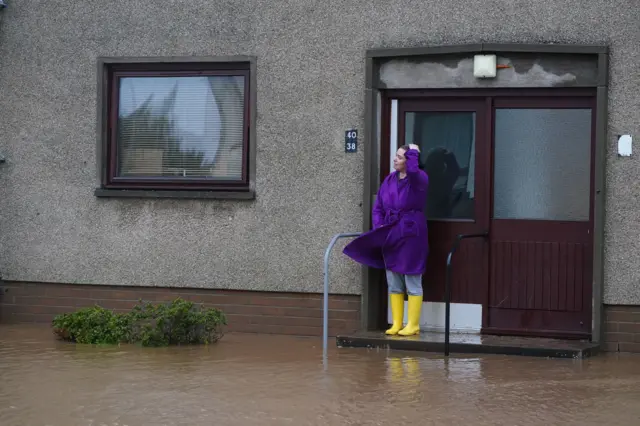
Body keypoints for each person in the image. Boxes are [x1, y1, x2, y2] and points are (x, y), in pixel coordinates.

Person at [343, 144, 429, 336]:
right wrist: (379, 226)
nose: (395, 160)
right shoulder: (389, 180)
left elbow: (414, 172)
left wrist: (413, 151)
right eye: (396, 156)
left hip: (411, 234)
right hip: (391, 233)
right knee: (393, 279)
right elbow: (379, 206)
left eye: (399, 157)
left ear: (410, 160)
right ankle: (397, 323)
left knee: (412, 277)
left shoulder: (419, 179)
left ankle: (413, 324)